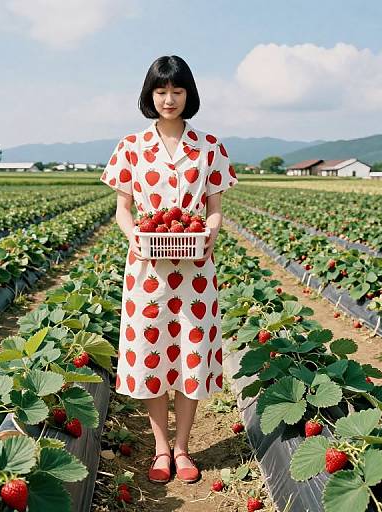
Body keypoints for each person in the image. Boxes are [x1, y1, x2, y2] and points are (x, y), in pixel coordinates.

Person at [99, 55, 238, 484]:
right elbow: (124, 210)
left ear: (188, 94)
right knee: (152, 356)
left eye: (177, 90)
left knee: (191, 356)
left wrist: (210, 231)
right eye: (161, 91)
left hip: (195, 272)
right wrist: (135, 236)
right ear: (150, 95)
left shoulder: (210, 145)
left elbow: (214, 209)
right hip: (147, 272)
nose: (169, 99)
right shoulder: (130, 147)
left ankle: (184, 448)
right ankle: (161, 448)